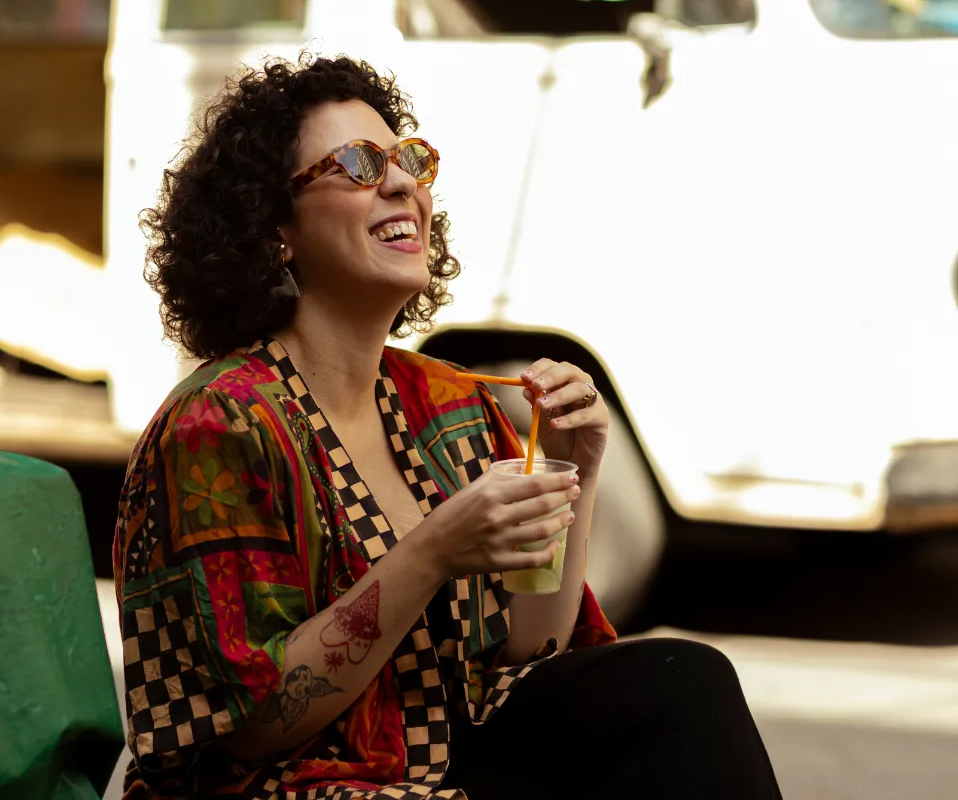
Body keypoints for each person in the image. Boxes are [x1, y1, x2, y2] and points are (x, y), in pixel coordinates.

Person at [113, 54, 782, 800]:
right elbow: (255, 722)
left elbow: (533, 649)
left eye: (409, 161)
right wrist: (432, 550)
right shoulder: (224, 421)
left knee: (681, 680)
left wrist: (575, 469)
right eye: (359, 164)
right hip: (290, 783)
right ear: (275, 230)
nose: (401, 184)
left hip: (435, 757)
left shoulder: (445, 401)